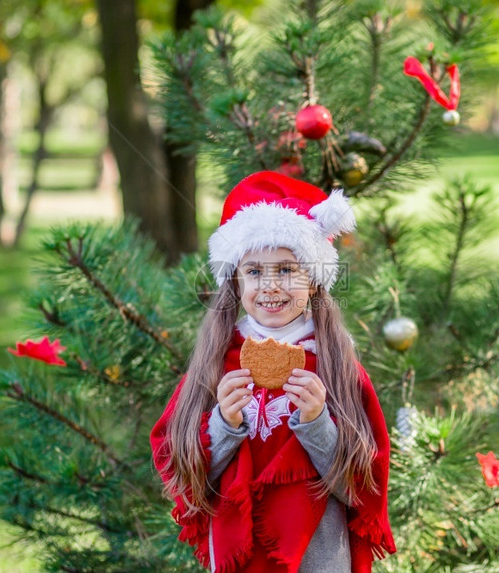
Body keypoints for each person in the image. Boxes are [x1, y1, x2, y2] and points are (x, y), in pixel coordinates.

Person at [150, 171, 396, 572]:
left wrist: (317, 423)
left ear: (314, 282)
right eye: (254, 272)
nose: (270, 286)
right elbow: (179, 468)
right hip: (238, 555)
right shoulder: (217, 362)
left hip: (318, 556)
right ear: (235, 280)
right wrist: (223, 424)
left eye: (286, 270)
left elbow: (359, 487)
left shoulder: (335, 367)